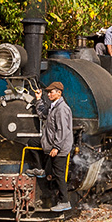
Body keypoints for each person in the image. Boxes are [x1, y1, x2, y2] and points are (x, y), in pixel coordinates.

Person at [34, 81, 74, 211]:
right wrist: (39, 99)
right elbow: (43, 114)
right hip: (51, 143)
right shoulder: (53, 106)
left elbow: (62, 130)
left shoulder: (62, 109)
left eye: (51, 92)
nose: (49, 94)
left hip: (60, 147)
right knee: (31, 143)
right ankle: (41, 170)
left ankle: (64, 201)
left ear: (59, 93)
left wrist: (56, 147)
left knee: (59, 174)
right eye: (48, 92)